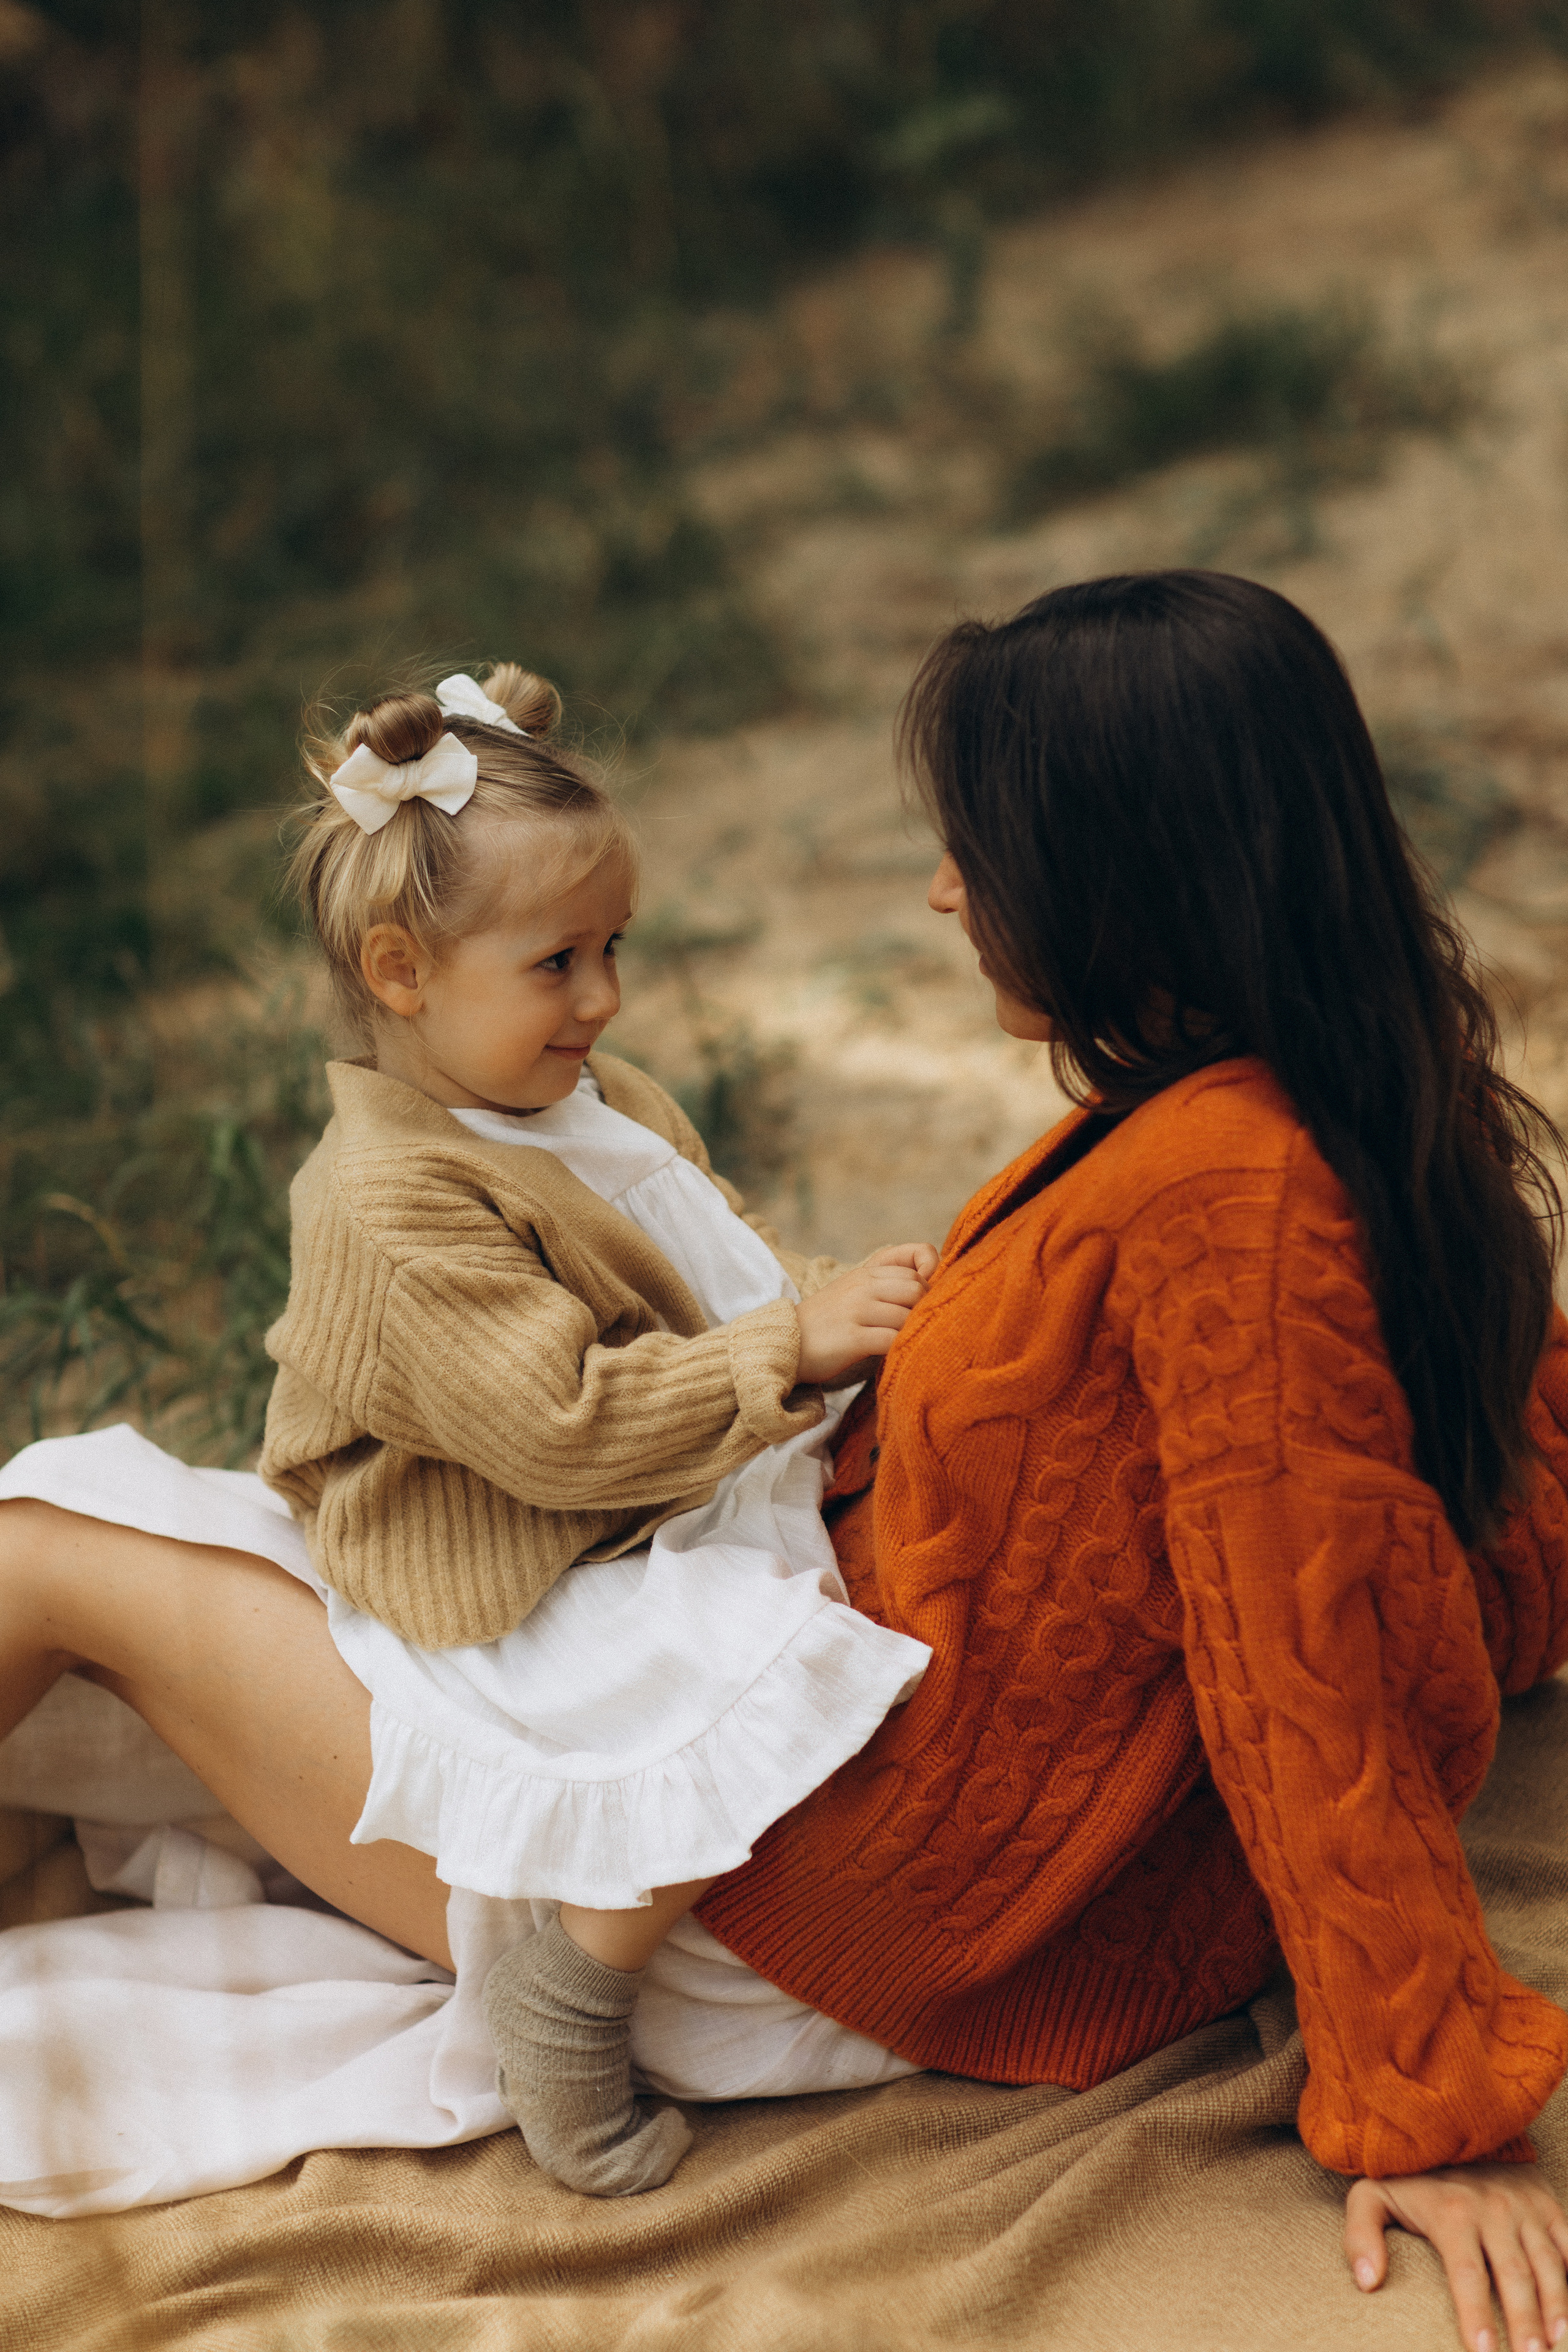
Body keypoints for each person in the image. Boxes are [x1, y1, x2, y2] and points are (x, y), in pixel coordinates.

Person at [0, 575, 1565, 2351]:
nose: (944, 891)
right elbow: (1503, 1436)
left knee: (47, 1543)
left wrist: (1428, 2096)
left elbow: (1309, 1654)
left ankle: (558, 1991)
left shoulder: (1227, 1195)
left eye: (979, 845)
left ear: (1121, 867)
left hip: (791, 1879)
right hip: (827, 1739)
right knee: (149, 1539)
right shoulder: (1335, 1084)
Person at [0, 663, 935, 2199]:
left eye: (613, 948)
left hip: (653, 1487)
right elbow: (557, 1427)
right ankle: (565, 1998)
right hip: (520, 1545)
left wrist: (829, 1299)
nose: (605, 997)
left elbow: (712, 1261)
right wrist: (785, 1350)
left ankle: (566, 1968)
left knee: (745, 1635)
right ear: (401, 972)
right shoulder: (387, 1197)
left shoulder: (590, 1094)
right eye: (559, 961)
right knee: (720, 1661)